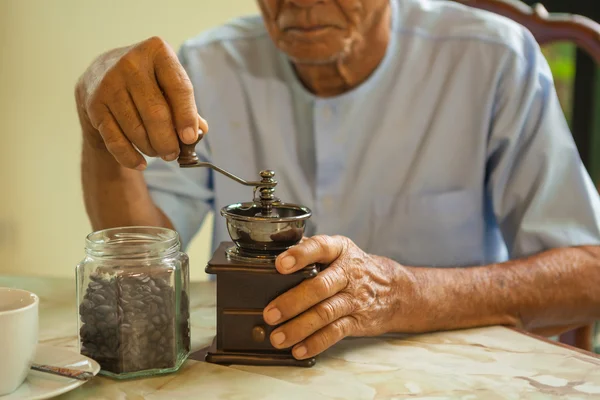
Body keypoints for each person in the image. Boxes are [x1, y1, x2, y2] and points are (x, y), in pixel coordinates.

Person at [76, 0, 600, 360]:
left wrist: (406, 294)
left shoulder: (493, 59)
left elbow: (587, 275)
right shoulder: (207, 65)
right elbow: (140, 262)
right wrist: (97, 123)